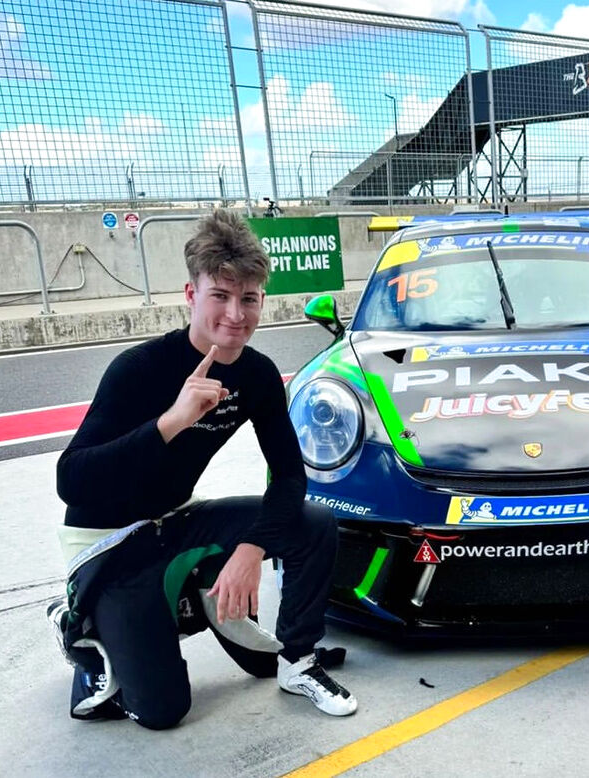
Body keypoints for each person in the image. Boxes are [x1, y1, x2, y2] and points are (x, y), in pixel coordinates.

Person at [51, 209, 357, 729]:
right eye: (220, 295)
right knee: (162, 711)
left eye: (249, 299)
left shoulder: (257, 374)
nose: (236, 314)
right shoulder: (139, 369)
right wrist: (171, 421)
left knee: (313, 522)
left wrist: (251, 549)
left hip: (176, 518)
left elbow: (289, 475)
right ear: (191, 295)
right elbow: (71, 480)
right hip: (108, 542)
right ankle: (81, 630)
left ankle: (298, 661)